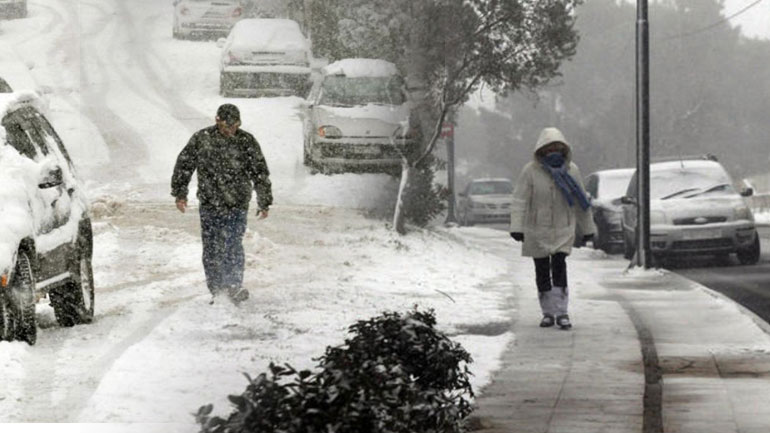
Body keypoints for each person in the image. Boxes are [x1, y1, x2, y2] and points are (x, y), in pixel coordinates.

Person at [171, 103, 273, 304]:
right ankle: (217, 289)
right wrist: (180, 193)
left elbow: (260, 172)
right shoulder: (202, 139)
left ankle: (234, 285)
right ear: (217, 121)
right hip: (210, 203)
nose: (231, 130)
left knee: (233, 243)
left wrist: (264, 200)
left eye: (235, 126)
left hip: (237, 204)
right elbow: (184, 165)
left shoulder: (246, 141)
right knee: (212, 247)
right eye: (227, 126)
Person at [509, 127, 595, 330]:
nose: (553, 151)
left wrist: (588, 228)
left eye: (557, 147)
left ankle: (562, 311)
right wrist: (517, 227)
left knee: (559, 266)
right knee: (541, 270)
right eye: (549, 148)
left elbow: (581, 200)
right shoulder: (530, 171)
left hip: (563, 228)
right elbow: (519, 200)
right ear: (541, 150)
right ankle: (547, 312)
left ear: (564, 148)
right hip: (536, 229)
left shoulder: (572, 170)